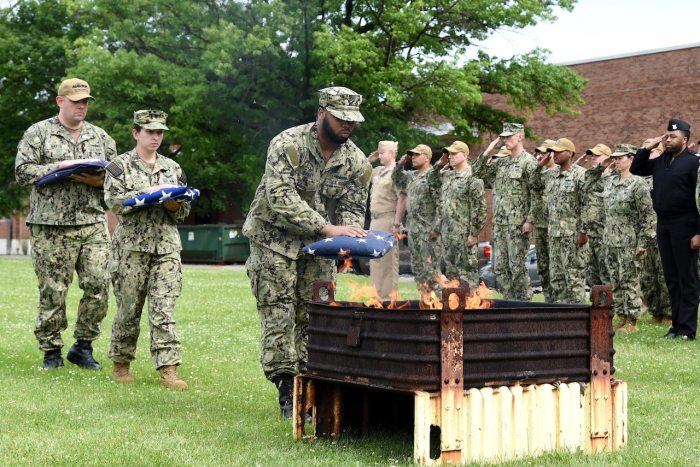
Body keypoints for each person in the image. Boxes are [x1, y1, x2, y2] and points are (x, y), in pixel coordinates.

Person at [243, 87, 371, 418]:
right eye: (340, 118)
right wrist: (327, 228)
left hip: (319, 249)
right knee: (279, 312)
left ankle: (310, 385)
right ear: (321, 113)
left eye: (351, 121)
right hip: (273, 239)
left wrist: (348, 244)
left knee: (317, 314)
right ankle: (287, 387)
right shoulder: (288, 144)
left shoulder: (357, 163)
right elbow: (280, 196)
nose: (347, 126)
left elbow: (352, 212)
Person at [15, 78, 116, 370]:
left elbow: (120, 175)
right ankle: (51, 352)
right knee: (53, 290)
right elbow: (22, 172)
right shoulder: (39, 133)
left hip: (92, 223)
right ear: (61, 102)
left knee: (99, 284)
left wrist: (101, 181)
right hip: (50, 226)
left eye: (85, 101)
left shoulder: (100, 137)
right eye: (76, 101)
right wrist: (58, 167)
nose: (81, 106)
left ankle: (83, 346)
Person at [103, 110, 190, 389]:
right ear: (135, 133)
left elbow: (182, 212)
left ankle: (168, 369)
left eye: (160, 132)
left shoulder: (172, 168)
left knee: (164, 309)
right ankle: (121, 362)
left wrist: (174, 203)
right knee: (129, 309)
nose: (156, 137)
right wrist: (150, 195)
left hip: (165, 247)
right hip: (131, 249)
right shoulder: (119, 166)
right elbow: (116, 203)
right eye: (150, 131)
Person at [631, 119, 700, 340]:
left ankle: (687, 330)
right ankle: (676, 326)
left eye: (674, 137)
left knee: (686, 278)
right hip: (664, 224)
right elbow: (636, 168)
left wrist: (698, 232)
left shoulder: (693, 163)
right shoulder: (662, 161)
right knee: (671, 277)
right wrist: (647, 147)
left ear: (685, 139)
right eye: (667, 136)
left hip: (686, 224)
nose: (668, 140)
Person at [472, 123, 537, 301]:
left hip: (518, 224)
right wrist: (490, 149)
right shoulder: (502, 162)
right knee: (500, 267)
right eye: (504, 137)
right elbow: (476, 172)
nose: (505, 140)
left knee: (517, 268)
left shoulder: (529, 162)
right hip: (500, 224)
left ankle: (523, 303)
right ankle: (510, 302)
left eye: (509, 136)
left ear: (520, 136)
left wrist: (530, 220)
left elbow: (537, 193)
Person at [602, 144, 655, 333]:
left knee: (630, 280)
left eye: (620, 158)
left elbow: (648, 215)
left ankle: (632, 319)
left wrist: (643, 242)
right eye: (614, 158)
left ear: (631, 159)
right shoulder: (610, 182)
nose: (616, 161)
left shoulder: (638, 183)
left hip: (629, 242)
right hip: (610, 241)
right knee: (615, 280)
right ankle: (621, 316)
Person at [537, 138, 591, 304]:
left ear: (570, 153)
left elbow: (588, 205)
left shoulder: (581, 175)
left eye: (559, 151)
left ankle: (578, 317)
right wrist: (540, 165)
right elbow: (532, 182)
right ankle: (562, 316)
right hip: (554, 236)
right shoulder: (550, 175)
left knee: (573, 278)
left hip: (573, 236)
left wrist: (583, 232)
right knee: (557, 278)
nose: (555, 154)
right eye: (554, 151)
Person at [430, 141, 486, 290]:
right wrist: (439, 165)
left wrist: (474, 234)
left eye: (454, 153)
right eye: (449, 154)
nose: (450, 157)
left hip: (464, 236)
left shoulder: (473, 177)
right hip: (448, 235)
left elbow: (480, 209)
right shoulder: (448, 176)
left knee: (467, 278)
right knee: (452, 277)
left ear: (465, 155)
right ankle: (456, 309)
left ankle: (472, 310)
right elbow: (431, 182)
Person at [392, 144, 443, 296]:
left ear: (427, 157)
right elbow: (396, 178)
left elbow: (441, 203)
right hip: (414, 231)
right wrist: (400, 164)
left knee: (431, 272)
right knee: (419, 272)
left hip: (429, 232)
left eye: (417, 155)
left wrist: (437, 228)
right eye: (412, 155)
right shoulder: (411, 176)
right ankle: (426, 304)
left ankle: (441, 304)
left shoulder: (433, 176)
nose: (413, 157)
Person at [367, 141, 406, 300]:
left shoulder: (397, 173)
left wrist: (396, 223)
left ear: (392, 153)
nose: (380, 155)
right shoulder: (378, 171)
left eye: (382, 152)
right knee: (375, 261)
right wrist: (370, 159)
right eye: (379, 152)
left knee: (388, 262)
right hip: (375, 221)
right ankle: (376, 297)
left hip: (388, 220)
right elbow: (359, 173)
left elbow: (401, 199)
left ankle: (388, 299)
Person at [639, 139, 671, 324]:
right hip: (647, 233)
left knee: (664, 273)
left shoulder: (663, 175)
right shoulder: (641, 177)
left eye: (653, 153)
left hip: (662, 228)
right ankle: (655, 310)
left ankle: (669, 312)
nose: (650, 156)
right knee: (648, 275)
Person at [581, 144, 613, 290]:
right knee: (592, 277)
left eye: (597, 155)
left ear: (608, 158)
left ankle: (611, 310)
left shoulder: (614, 179)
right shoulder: (590, 178)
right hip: (590, 235)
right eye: (592, 155)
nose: (593, 158)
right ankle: (598, 310)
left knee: (607, 275)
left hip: (606, 235)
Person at [531, 139, 557, 301]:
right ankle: (549, 299)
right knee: (543, 266)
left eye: (545, 152)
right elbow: (532, 183)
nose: (541, 156)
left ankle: (560, 299)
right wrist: (540, 165)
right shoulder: (541, 173)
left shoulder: (561, 172)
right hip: (541, 225)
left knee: (557, 265)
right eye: (539, 153)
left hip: (557, 227)